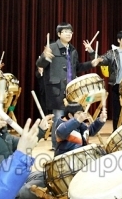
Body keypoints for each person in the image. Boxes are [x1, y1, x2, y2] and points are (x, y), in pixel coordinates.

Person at [36, 22, 101, 150]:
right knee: (59, 117)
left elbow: (77, 67)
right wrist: (44, 56)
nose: (69, 34)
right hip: (57, 89)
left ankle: (72, 142)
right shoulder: (52, 47)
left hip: (71, 89)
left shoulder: (72, 50)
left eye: (70, 32)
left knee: (72, 116)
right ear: (59, 34)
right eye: (65, 32)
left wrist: (91, 64)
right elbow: (40, 64)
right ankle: (56, 145)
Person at [0, 98, 53, 199]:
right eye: (0, 111)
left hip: (12, 177)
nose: (5, 114)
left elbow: (24, 142)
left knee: (45, 176)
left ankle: (21, 191)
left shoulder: (3, 133)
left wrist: (41, 129)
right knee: (33, 189)